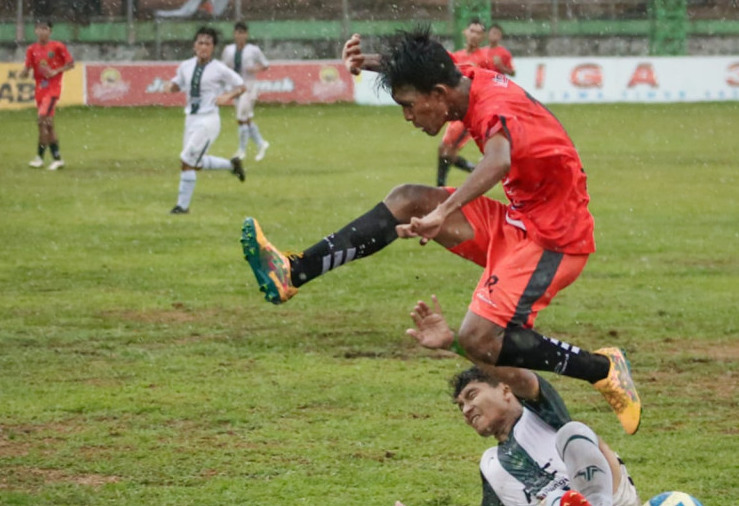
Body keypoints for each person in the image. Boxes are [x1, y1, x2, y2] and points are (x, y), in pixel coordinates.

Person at [241, 26, 641, 434]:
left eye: (410, 105)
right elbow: (436, 63)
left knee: (479, 339)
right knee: (408, 199)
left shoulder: (492, 105)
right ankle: (294, 271)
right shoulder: (462, 78)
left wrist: (445, 210)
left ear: (437, 94)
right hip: (518, 221)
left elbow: (499, 160)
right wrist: (370, 62)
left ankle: (602, 368)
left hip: (554, 240)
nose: (408, 116)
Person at [388, 309, 641, 506]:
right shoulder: (491, 463)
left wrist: (454, 343)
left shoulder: (541, 412)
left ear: (506, 390)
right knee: (554, 502)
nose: (466, 409)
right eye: (460, 405)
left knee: (575, 432)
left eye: (472, 395)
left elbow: (518, 375)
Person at [165, 26, 247, 215]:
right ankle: (231, 165)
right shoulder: (186, 66)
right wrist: (170, 86)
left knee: (186, 159)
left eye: (207, 43)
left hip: (209, 120)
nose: (203, 47)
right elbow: (178, 83)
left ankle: (182, 207)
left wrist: (227, 96)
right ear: (194, 45)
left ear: (213, 48)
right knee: (197, 163)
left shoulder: (219, 68)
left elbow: (241, 86)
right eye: (200, 42)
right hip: (191, 119)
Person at [435, 18, 493, 186]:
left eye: (478, 33)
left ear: (482, 38)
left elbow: (490, 83)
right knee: (444, 150)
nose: (474, 36)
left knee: (448, 151)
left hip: (470, 109)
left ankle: (441, 187)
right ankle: (475, 171)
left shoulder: (484, 58)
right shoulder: (457, 56)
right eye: (472, 31)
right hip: (455, 110)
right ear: (465, 32)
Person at [21, 19, 74, 170]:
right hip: (40, 91)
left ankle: (40, 157)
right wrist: (24, 72)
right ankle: (56, 159)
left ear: (50, 32)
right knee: (48, 125)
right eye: (39, 28)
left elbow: (71, 64)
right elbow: (28, 67)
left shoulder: (57, 46)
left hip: (52, 90)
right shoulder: (32, 49)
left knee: (42, 120)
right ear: (35, 31)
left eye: (45, 29)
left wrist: (55, 71)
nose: (42, 31)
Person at [221, 22, 271, 162]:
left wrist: (255, 69)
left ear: (247, 34)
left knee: (241, 118)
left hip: (248, 86)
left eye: (243, 33)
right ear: (234, 34)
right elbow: (223, 68)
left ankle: (241, 150)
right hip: (235, 86)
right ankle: (261, 143)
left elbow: (265, 64)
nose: (240, 35)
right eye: (238, 32)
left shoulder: (253, 50)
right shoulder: (229, 50)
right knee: (246, 118)